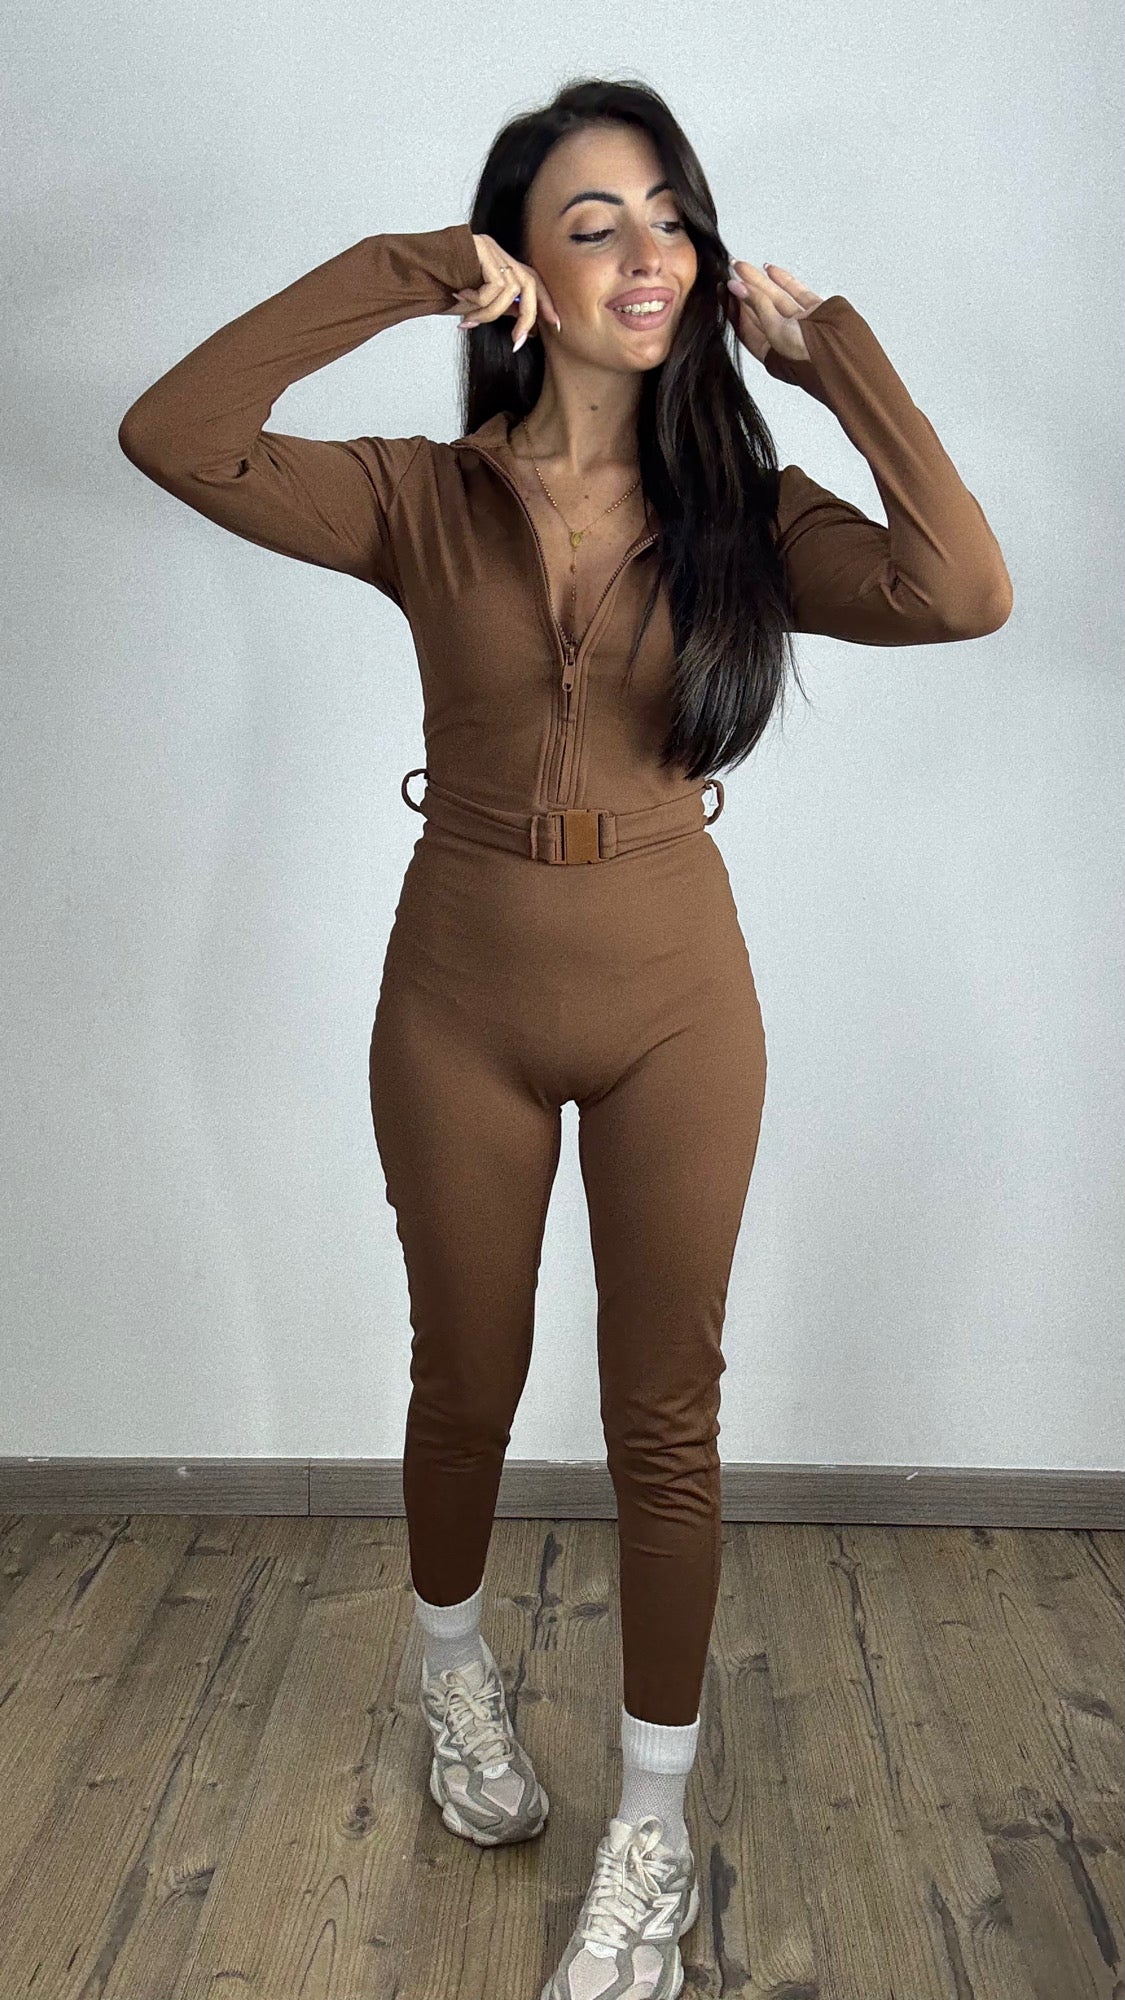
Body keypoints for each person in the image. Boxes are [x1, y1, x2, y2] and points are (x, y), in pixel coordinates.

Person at [117, 74, 1012, 2000]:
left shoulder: (746, 520)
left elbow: (961, 590)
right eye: (591, 222)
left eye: (669, 215)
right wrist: (401, 271)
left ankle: (651, 1832)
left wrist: (835, 358)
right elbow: (173, 432)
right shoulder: (416, 497)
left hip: (677, 988)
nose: (646, 252)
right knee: (465, 1374)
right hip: (458, 988)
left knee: (662, 1415)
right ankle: (451, 1673)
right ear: (518, 264)